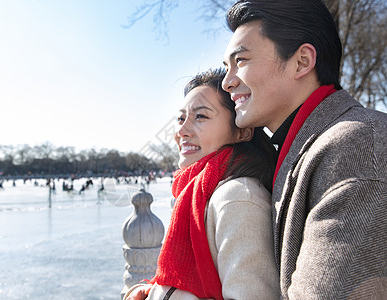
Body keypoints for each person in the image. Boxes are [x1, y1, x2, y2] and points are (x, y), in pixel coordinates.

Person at [221, 1, 387, 299]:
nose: (227, 81)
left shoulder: (356, 147)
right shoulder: (305, 146)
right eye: (226, 67)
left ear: (302, 61)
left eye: (241, 61)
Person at [124, 68, 279, 299]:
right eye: (180, 118)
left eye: (201, 116)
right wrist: (158, 291)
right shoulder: (200, 191)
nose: (181, 131)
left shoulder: (237, 198)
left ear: (242, 131)